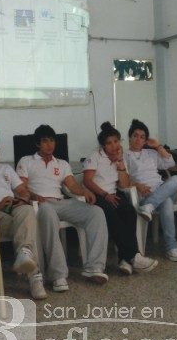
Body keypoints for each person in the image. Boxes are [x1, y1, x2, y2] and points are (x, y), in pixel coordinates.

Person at [16, 125, 109, 291]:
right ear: (37, 143)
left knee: (96, 212)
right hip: (40, 204)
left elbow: (72, 186)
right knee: (48, 211)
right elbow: (21, 188)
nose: (49, 145)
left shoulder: (62, 164)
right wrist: (33, 196)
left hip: (61, 202)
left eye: (52, 141)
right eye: (45, 141)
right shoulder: (26, 161)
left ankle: (94, 267)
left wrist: (85, 191)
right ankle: (58, 275)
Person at [0, 132, 48, 299]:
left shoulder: (5, 169)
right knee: (28, 228)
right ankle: (34, 277)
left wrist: (22, 198)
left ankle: (24, 253)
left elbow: (22, 190)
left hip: (11, 208)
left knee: (27, 210)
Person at [83, 122, 158, 275]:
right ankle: (134, 256)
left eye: (116, 141)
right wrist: (105, 195)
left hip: (113, 194)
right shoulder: (95, 156)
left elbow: (124, 184)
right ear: (103, 146)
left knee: (129, 211)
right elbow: (87, 181)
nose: (114, 146)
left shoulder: (120, 158)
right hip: (97, 195)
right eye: (109, 143)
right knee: (113, 215)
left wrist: (120, 163)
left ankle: (124, 260)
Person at [124, 119, 177, 262]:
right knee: (167, 201)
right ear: (130, 137)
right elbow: (122, 179)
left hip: (159, 189)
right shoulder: (124, 155)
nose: (138, 139)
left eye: (142, 137)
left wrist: (158, 146)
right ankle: (171, 247)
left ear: (145, 140)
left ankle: (149, 205)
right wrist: (137, 185)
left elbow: (170, 163)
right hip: (142, 193)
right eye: (135, 135)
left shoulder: (151, 152)